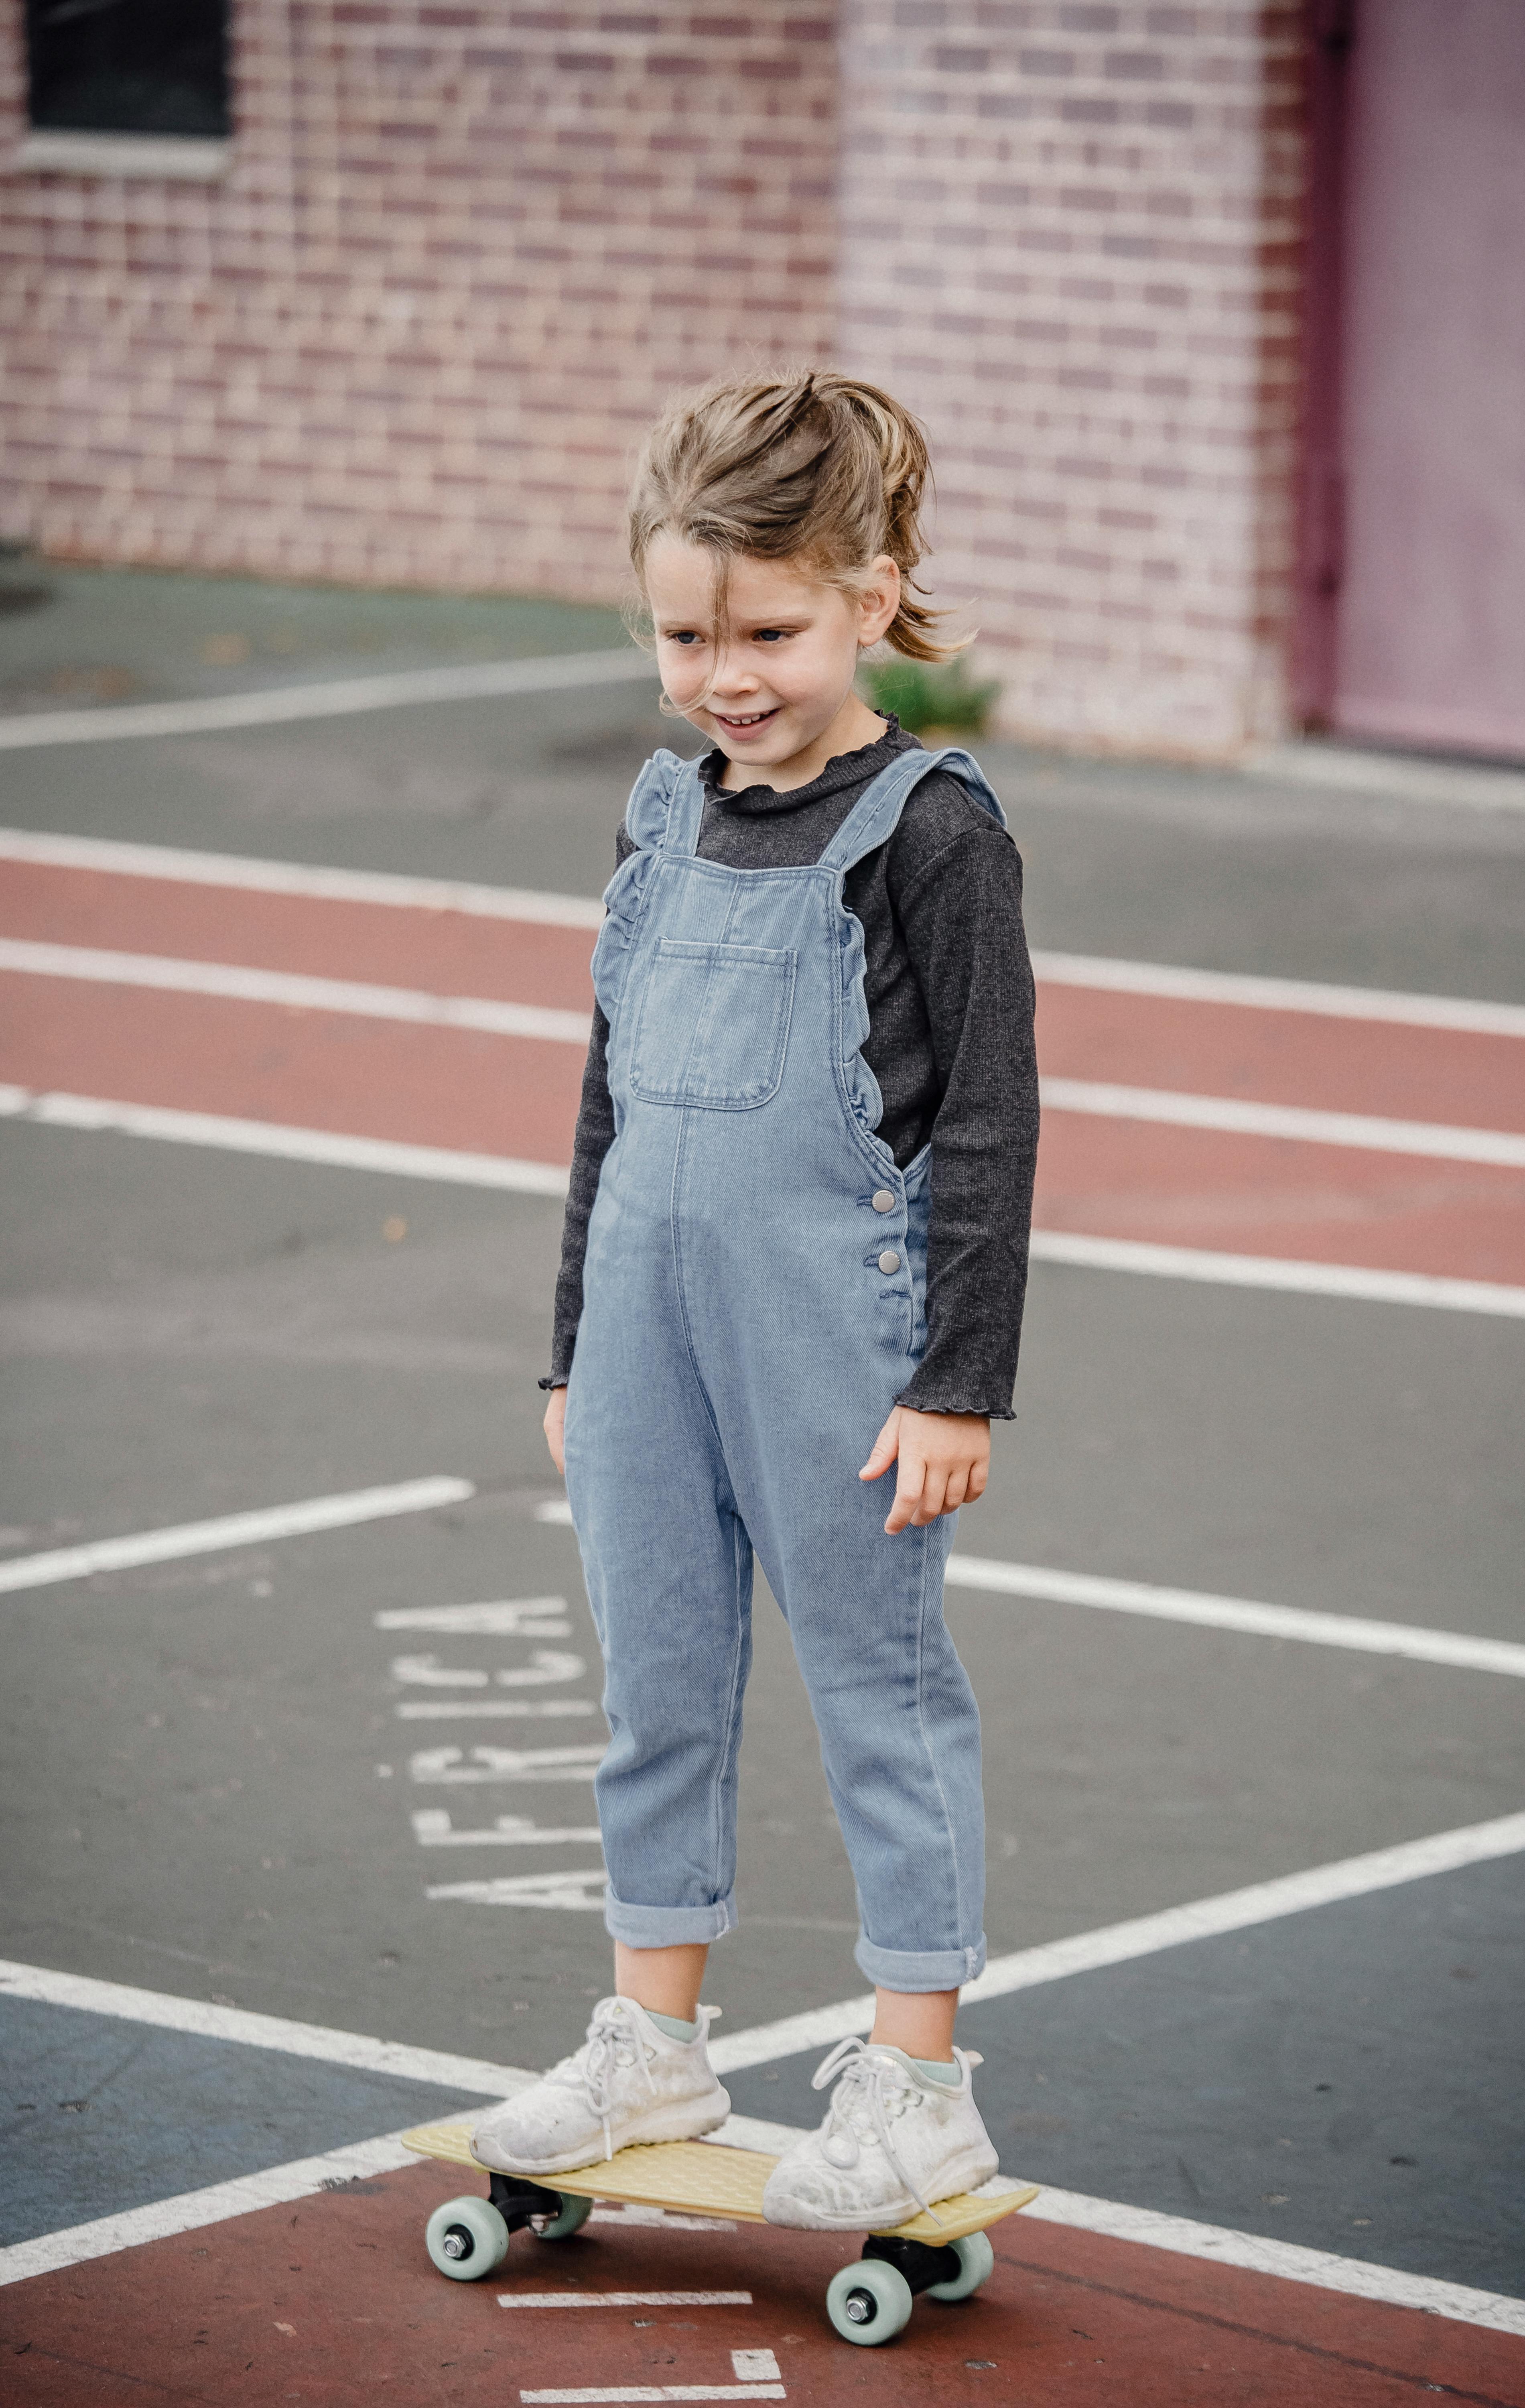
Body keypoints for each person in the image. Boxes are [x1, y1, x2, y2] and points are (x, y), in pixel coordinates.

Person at [471, 371, 1038, 2229]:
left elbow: (987, 1122)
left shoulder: (933, 830)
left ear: (873, 599)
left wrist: (955, 1381)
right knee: (654, 1685)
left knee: (879, 1690)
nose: (728, 671)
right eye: (687, 631)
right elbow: (606, 1095)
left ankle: (920, 2077)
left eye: (771, 630)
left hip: (837, 1339)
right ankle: (658, 2038)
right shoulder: (660, 819)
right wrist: (571, 1341)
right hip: (642, 1316)